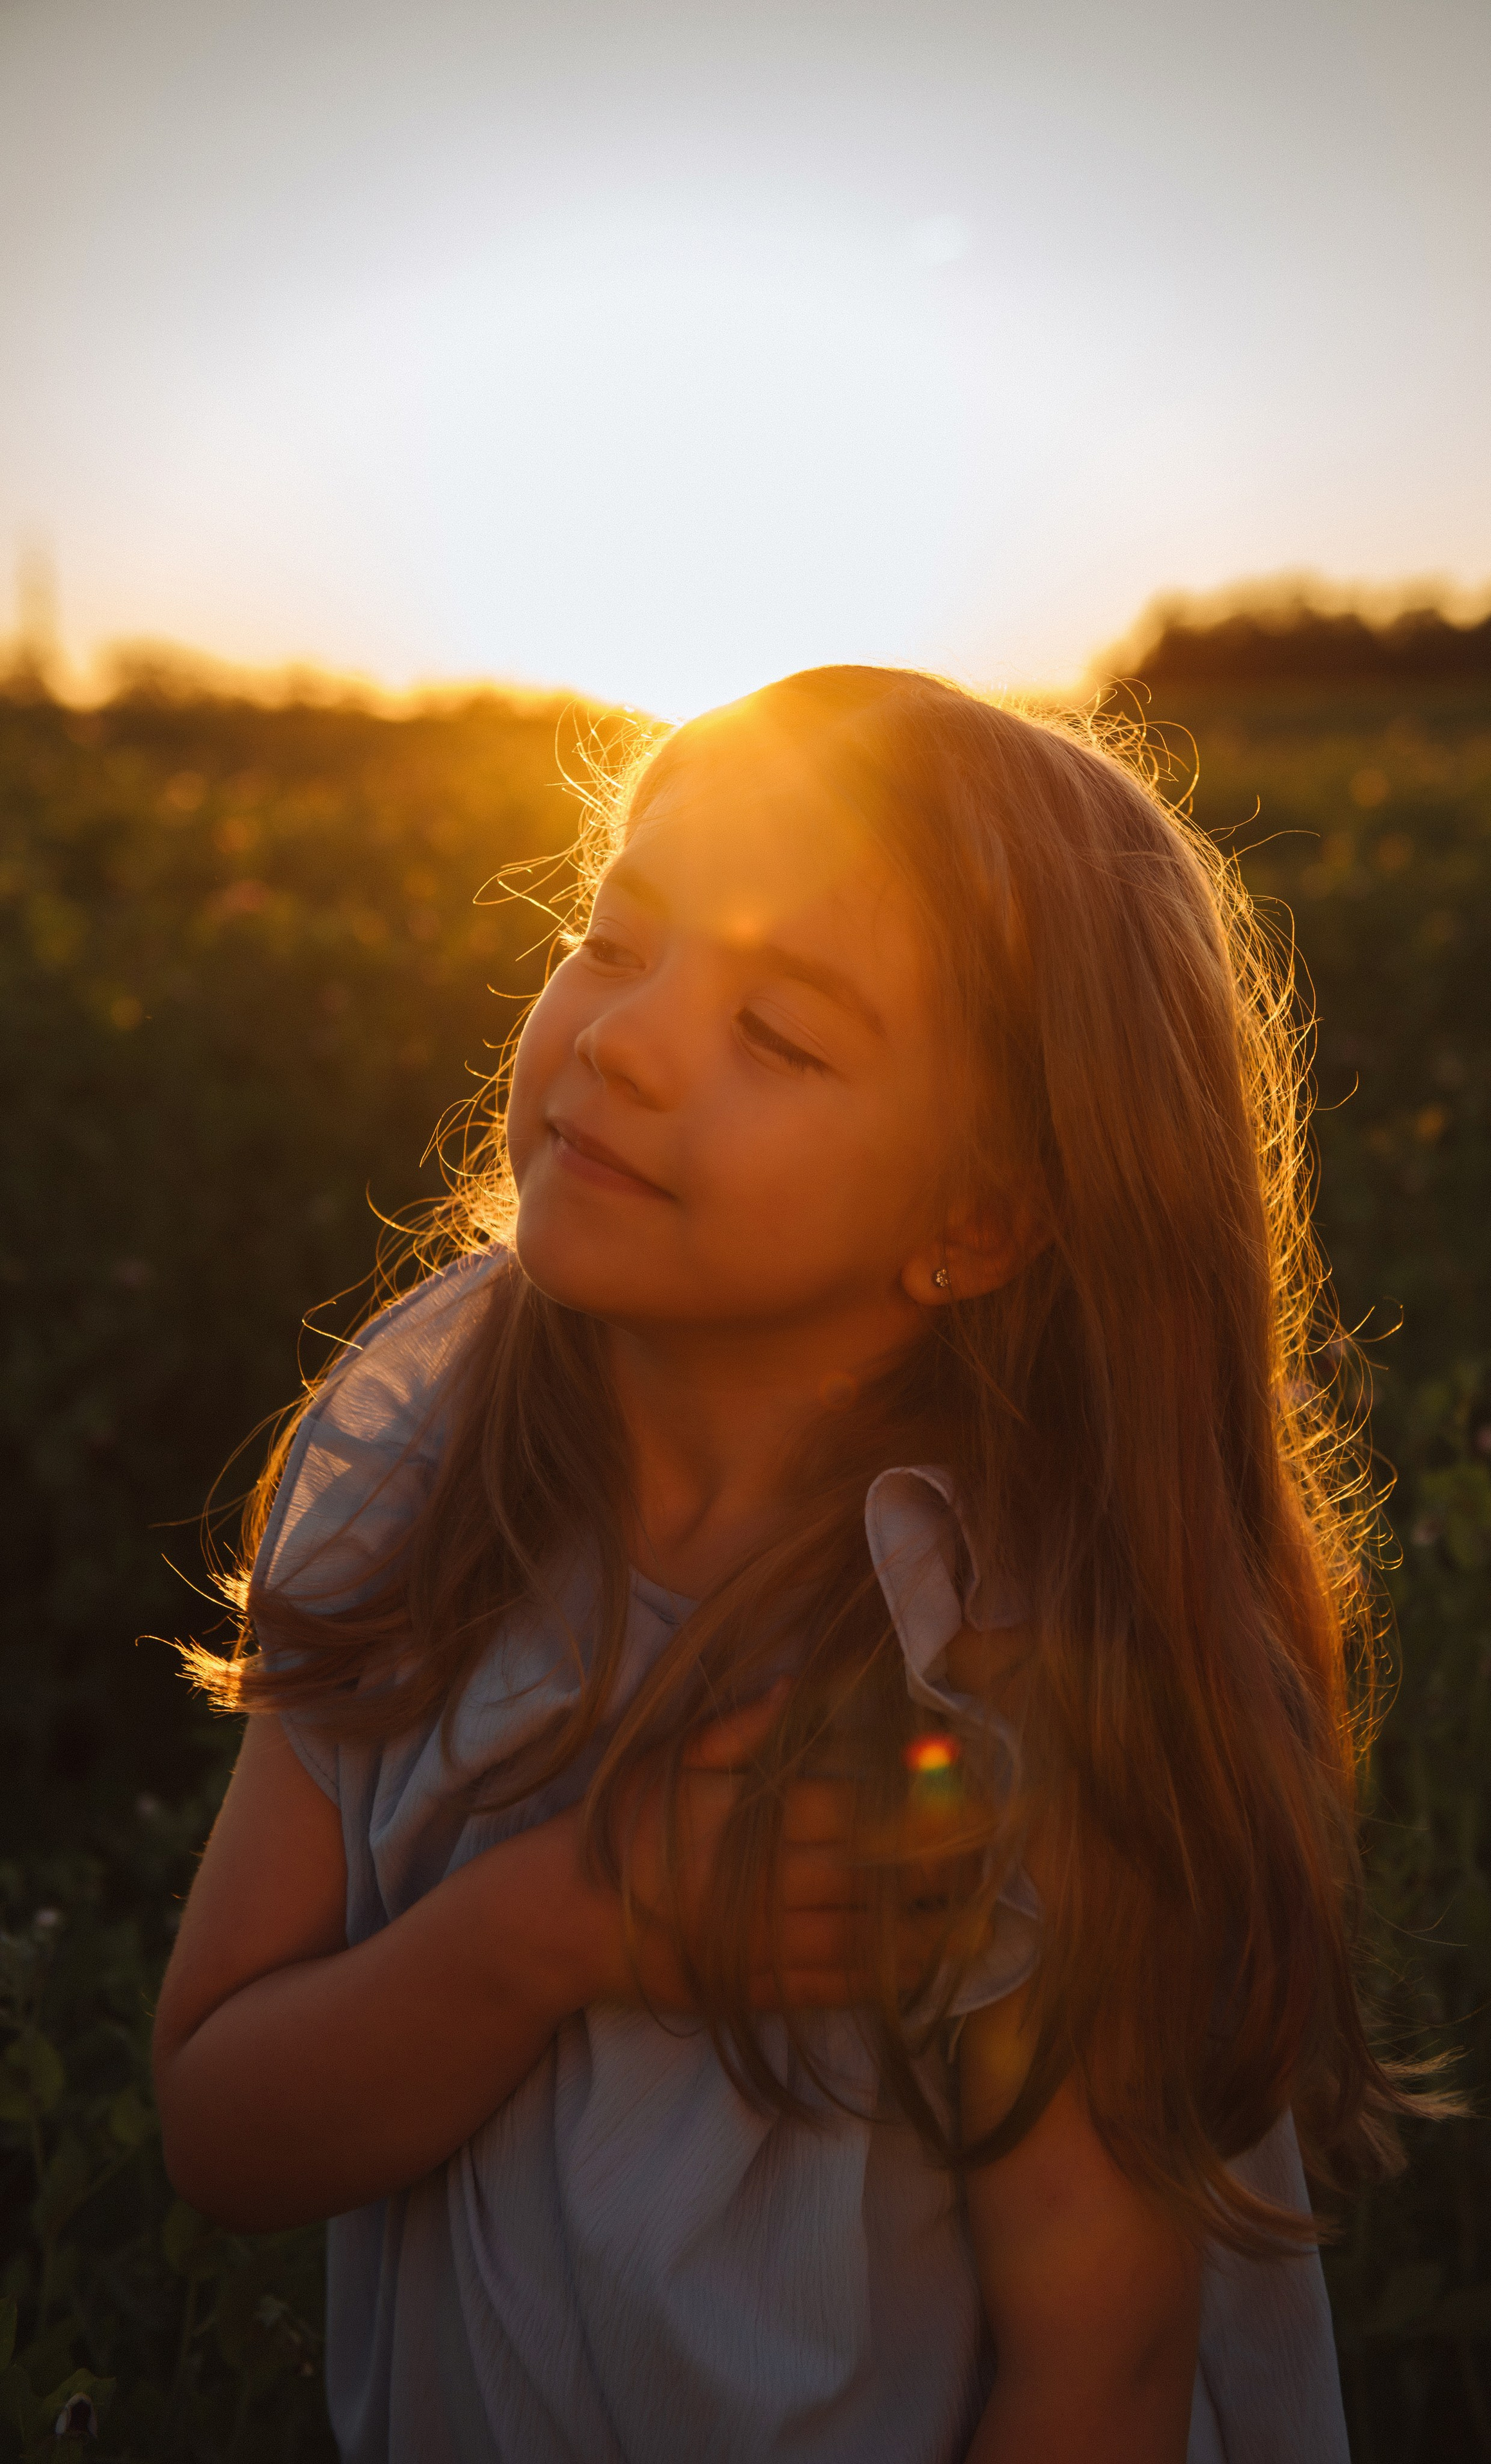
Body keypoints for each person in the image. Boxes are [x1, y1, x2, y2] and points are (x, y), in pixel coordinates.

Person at [152, 666, 1415, 2463]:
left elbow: (1101, 2382)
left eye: (784, 1033)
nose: (625, 1037)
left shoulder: (1010, 1677)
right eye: (617, 937)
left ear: (977, 1219)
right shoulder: (422, 1469)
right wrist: (563, 1920)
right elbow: (221, 2121)